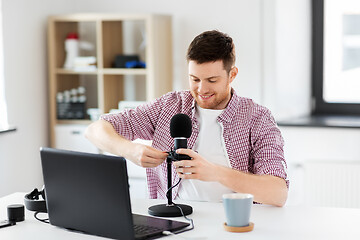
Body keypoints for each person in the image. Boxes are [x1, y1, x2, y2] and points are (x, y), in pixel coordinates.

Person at [85, 30, 288, 207]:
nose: (202, 89)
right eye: (195, 79)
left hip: (233, 223)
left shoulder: (257, 117)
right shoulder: (170, 105)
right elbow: (95, 129)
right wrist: (130, 150)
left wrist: (216, 173)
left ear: (232, 75)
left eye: (212, 80)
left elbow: (278, 193)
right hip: (175, 220)